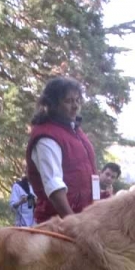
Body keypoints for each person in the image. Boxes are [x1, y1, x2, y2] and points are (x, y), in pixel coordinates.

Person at [25, 76, 99, 223]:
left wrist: (96, 207)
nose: (75, 106)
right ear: (52, 104)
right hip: (57, 225)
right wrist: (73, 224)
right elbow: (54, 186)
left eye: (77, 100)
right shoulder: (46, 138)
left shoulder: (76, 131)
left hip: (83, 219)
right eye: (68, 101)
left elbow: (92, 175)